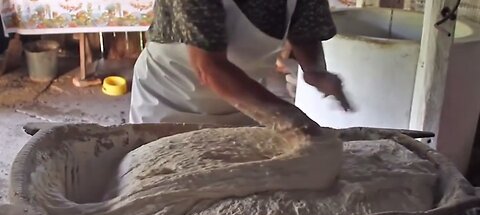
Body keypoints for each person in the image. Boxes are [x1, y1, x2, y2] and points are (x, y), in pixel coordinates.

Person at [129, 0, 351, 136]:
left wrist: (315, 71)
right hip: (168, 99)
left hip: (243, 102)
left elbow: (305, 31)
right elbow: (210, 67)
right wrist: (288, 115)